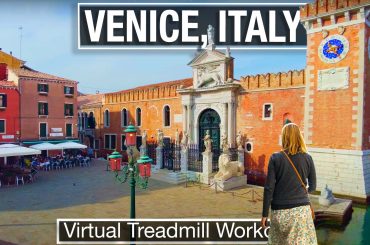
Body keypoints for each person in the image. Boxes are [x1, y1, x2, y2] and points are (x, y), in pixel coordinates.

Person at [261, 123, 317, 245]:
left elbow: (269, 188)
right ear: (299, 137)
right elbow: (313, 187)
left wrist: (264, 215)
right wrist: (300, 191)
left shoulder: (275, 158)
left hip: (280, 212)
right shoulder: (308, 158)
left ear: (284, 138)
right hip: (301, 212)